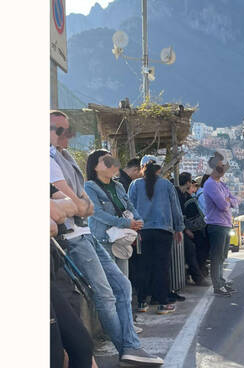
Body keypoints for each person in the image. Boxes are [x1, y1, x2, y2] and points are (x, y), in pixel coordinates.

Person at [49, 110, 163, 366]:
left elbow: (84, 206)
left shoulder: (67, 159)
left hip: (87, 234)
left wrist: (79, 205)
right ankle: (126, 348)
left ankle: (131, 346)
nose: (65, 135)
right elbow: (81, 205)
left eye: (66, 129)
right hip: (75, 238)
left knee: (122, 286)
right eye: (58, 129)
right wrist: (79, 205)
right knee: (105, 294)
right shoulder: (49, 159)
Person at [128, 157, 185, 315]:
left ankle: (141, 302)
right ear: (159, 169)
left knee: (143, 266)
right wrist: (179, 228)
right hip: (163, 231)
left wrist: (132, 228)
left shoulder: (135, 185)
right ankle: (162, 303)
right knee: (161, 267)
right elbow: (175, 208)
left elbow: (128, 207)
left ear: (141, 168)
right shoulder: (167, 185)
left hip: (142, 231)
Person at [50, 188, 97, 368]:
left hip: (53, 267)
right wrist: (56, 207)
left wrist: (57, 208)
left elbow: (71, 207)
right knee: (54, 354)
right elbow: (54, 222)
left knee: (81, 345)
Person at [85, 150, 144, 277]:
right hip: (103, 240)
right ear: (95, 166)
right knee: (111, 283)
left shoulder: (118, 186)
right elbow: (97, 213)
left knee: (124, 280)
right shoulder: (90, 186)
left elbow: (130, 207)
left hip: (121, 239)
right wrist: (126, 223)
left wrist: (138, 221)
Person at [203, 152, 240, 297]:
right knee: (217, 257)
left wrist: (228, 200)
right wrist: (228, 201)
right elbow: (223, 205)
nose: (223, 170)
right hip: (217, 225)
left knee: (223, 256)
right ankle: (217, 285)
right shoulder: (211, 185)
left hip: (225, 224)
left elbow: (233, 201)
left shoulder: (221, 184)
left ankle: (221, 281)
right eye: (220, 168)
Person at [177, 172, 210, 286]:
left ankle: (200, 271)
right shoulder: (178, 195)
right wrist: (186, 229)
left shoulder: (184, 195)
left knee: (202, 242)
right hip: (179, 229)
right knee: (191, 248)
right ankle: (197, 277)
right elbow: (178, 214)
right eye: (191, 182)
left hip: (184, 228)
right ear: (187, 183)